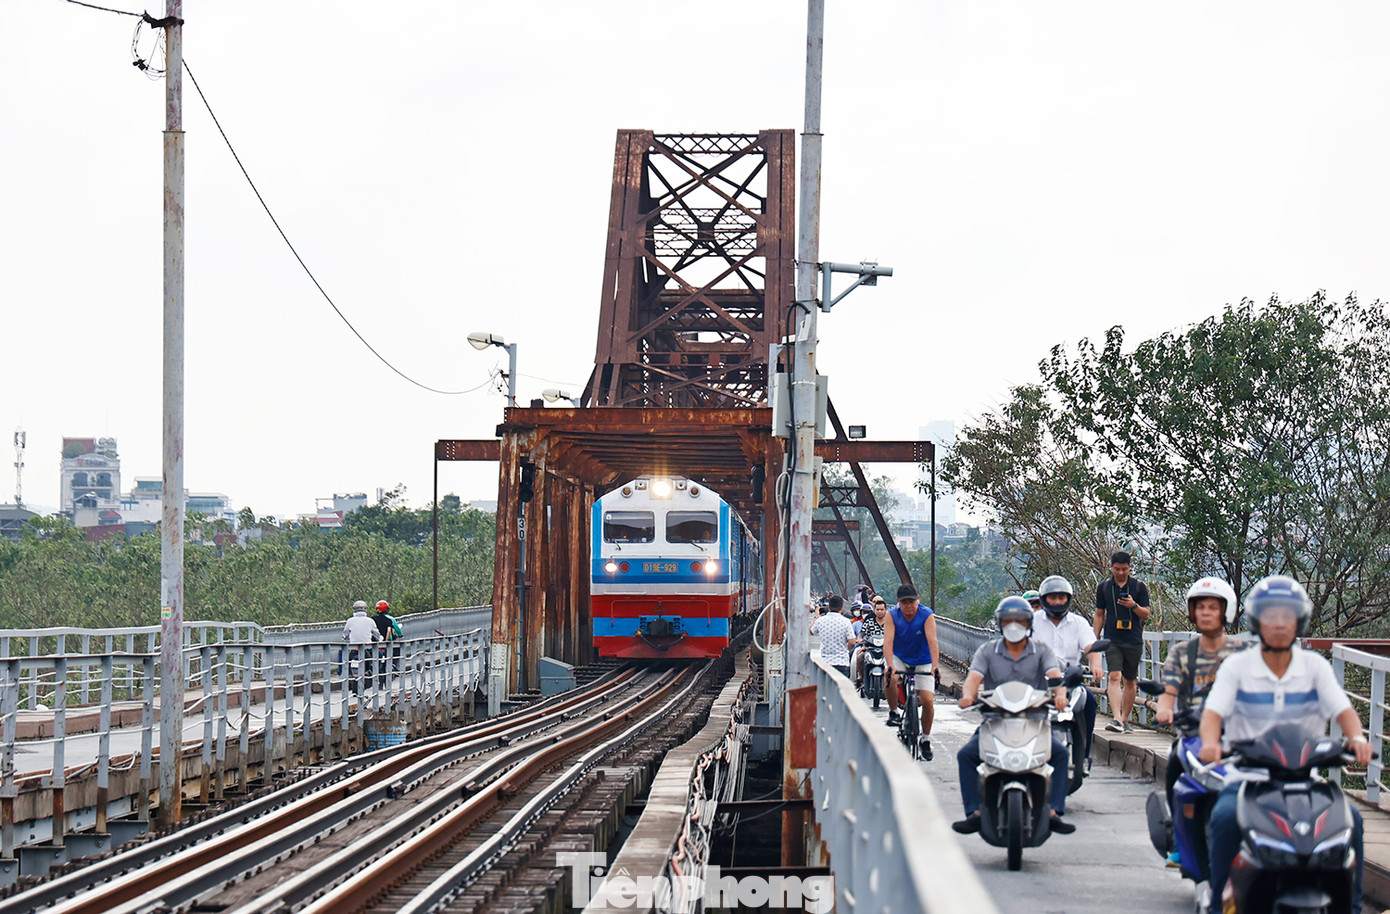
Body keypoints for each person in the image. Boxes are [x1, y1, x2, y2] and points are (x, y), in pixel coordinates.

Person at [1199, 575, 1372, 914]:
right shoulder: (1237, 667)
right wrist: (1210, 744)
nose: (1279, 624)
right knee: (1223, 819)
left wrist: (1358, 739)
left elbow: (1344, 711)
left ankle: (1350, 907)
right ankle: (1221, 906)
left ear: (1299, 622)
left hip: (1305, 780)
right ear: (1257, 622)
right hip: (1247, 779)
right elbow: (1212, 715)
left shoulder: (1314, 667)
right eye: (1271, 616)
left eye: (1287, 617)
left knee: (1352, 820)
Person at [953, 596, 1076, 835]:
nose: (1014, 625)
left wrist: (1060, 695)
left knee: (1060, 755)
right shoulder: (987, 651)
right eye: (1008, 620)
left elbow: (1054, 676)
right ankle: (974, 813)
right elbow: (973, 680)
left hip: (1034, 721)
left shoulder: (1042, 650)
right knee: (966, 756)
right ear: (1000, 623)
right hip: (995, 721)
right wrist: (968, 696)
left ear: (1029, 624)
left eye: (1019, 620)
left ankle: (1054, 812)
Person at [1153, 576, 1244, 867]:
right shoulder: (1182, 652)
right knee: (1174, 773)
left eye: (1213, 607)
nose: (1206, 612)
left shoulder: (1242, 653)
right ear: (1193, 612)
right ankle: (1179, 840)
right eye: (1200, 606)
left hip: (1236, 739)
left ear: (1225, 612)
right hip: (1192, 737)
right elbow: (1168, 691)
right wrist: (1164, 710)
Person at [1030, 575, 1104, 764]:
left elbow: (1091, 648)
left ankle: (1084, 756)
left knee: (1089, 703)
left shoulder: (1078, 623)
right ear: (1043, 599)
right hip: (1038, 681)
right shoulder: (1031, 621)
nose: (1057, 602)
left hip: (1071, 680)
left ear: (1068, 598)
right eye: (1052, 597)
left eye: (1061, 597)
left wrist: (1096, 665)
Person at [1094, 550, 1151, 732]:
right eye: (1117, 569)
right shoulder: (1104, 588)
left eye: (1124, 569)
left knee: (1129, 680)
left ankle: (1125, 719)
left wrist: (1133, 605)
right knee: (1114, 676)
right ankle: (1117, 718)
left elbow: (1146, 614)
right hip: (1112, 638)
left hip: (1133, 639)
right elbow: (1099, 614)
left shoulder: (1139, 587)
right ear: (1111, 567)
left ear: (1129, 568)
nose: (1120, 572)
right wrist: (1093, 638)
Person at [884, 584, 941, 761]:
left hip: (923, 659)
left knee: (928, 701)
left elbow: (933, 642)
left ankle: (925, 739)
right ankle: (894, 711)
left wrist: (935, 667)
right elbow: (888, 642)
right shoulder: (892, 615)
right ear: (898, 603)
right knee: (890, 677)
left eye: (912, 602)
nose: (908, 606)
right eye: (904, 603)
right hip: (900, 656)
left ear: (918, 600)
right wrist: (890, 664)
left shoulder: (927, 615)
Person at [811, 594, 856, 678]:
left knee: (824, 689)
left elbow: (811, 631)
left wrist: (816, 616)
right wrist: (847, 648)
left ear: (829, 606)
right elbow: (852, 642)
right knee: (841, 689)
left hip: (824, 662)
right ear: (842, 608)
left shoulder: (821, 621)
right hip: (842, 662)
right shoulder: (846, 622)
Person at [342, 600, 381, 689]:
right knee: (371, 662)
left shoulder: (350, 621)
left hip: (353, 647)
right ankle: (374, 675)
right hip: (366, 647)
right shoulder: (370, 621)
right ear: (365, 610)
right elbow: (376, 634)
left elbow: (345, 634)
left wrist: (346, 638)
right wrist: (379, 639)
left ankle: (345, 675)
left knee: (345, 661)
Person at [852, 595, 889, 687]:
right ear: (874, 610)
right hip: (870, 647)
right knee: (860, 657)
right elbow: (862, 633)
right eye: (878, 610)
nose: (880, 612)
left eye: (882, 610)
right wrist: (860, 639)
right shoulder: (869, 621)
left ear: (885, 610)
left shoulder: (890, 622)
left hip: (887, 648)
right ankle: (861, 676)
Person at [373, 599, 403, 684]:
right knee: (396, 651)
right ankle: (394, 665)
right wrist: (400, 635)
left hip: (376, 642)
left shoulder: (373, 620)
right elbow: (397, 629)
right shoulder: (390, 619)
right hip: (387, 641)